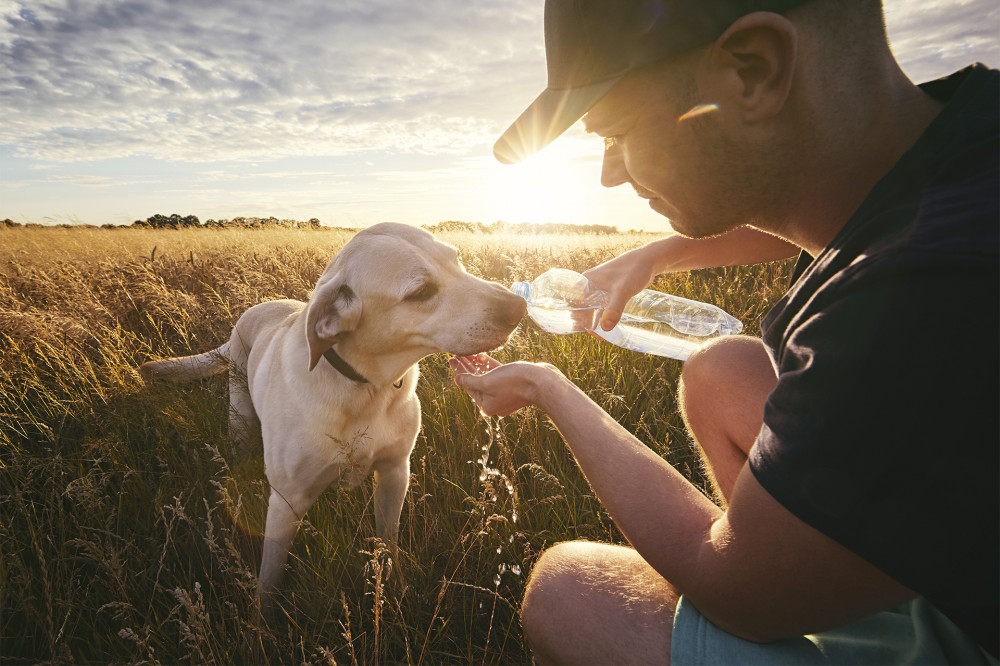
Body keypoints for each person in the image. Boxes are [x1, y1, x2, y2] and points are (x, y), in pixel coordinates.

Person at [449, 0, 999, 663]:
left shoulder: (923, 296)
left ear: (753, 70)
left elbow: (739, 594)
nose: (609, 172)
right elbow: (826, 197)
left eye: (615, 131)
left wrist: (549, 389)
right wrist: (656, 255)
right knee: (720, 368)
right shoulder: (962, 138)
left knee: (566, 591)